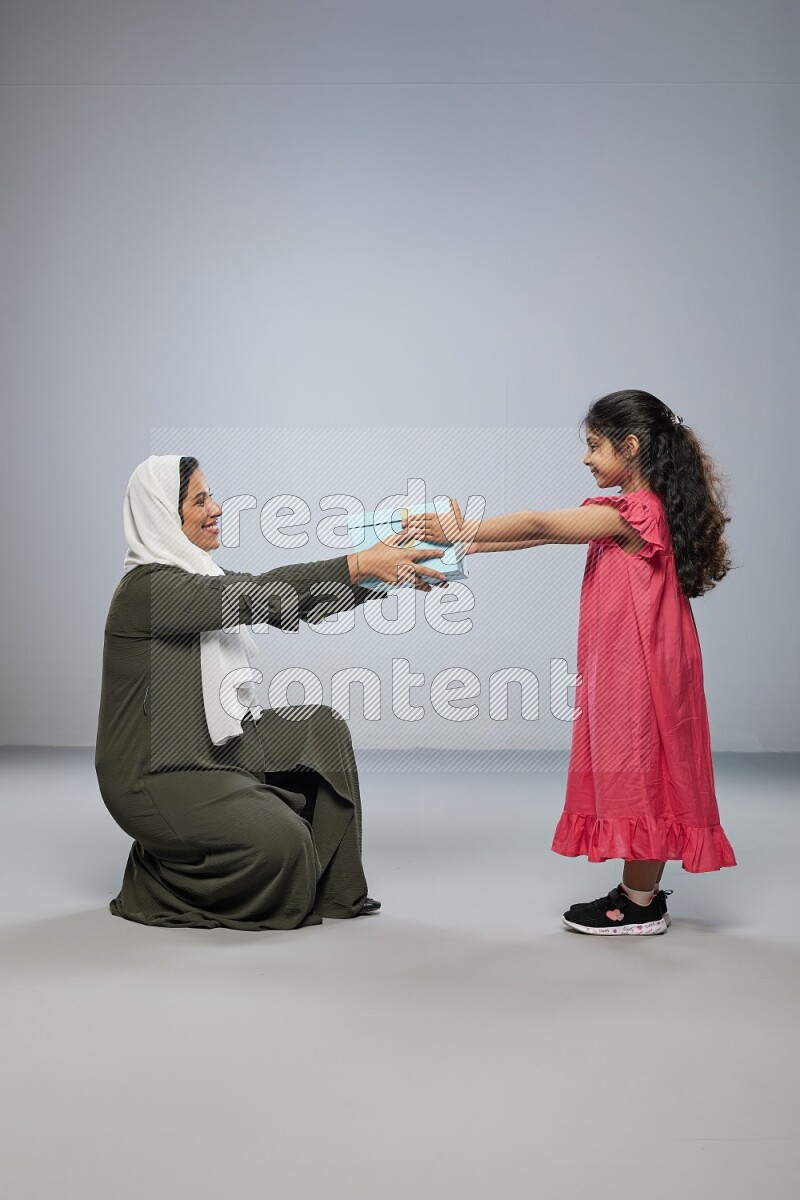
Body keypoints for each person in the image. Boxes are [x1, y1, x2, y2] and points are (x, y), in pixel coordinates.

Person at [404, 390, 737, 935]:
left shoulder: (635, 513)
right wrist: (459, 546)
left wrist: (462, 532)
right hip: (638, 660)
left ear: (629, 447)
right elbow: (534, 537)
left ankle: (641, 905)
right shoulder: (639, 509)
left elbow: (540, 526)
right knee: (643, 766)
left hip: (643, 666)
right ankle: (640, 892)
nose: (586, 458)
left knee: (640, 768)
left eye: (594, 446)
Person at [95, 454, 447, 931]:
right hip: (154, 774)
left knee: (320, 729)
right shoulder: (148, 591)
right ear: (162, 514)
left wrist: (380, 572)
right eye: (200, 500)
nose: (216, 508)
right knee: (282, 842)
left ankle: (333, 891)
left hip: (208, 750)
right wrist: (359, 562)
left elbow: (287, 603)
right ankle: (158, 875)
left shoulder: (196, 578)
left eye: (211, 496)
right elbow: (261, 594)